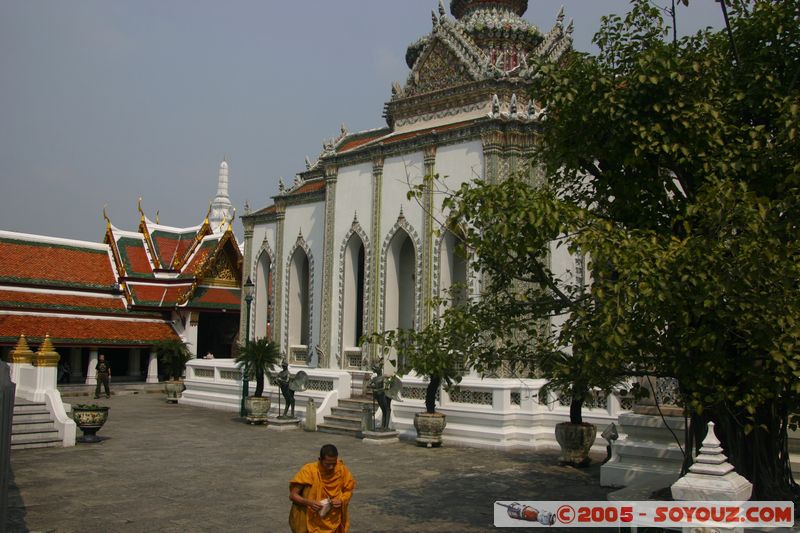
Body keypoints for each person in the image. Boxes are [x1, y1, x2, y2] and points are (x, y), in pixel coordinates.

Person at [289, 444, 356, 533]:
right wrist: (309, 502)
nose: (331, 467)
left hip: (334, 520)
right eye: (327, 464)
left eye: (333, 463)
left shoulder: (341, 470)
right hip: (312, 521)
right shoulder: (309, 470)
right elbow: (293, 495)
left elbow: (348, 490)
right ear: (320, 460)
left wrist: (342, 500)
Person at [369, 364, 391, 431]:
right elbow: (370, 385)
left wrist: (377, 389)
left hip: (384, 395)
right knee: (383, 410)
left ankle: (386, 426)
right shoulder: (374, 379)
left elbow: (387, 386)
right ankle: (382, 426)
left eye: (376, 368)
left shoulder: (383, 377)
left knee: (387, 410)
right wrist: (373, 387)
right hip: (378, 396)